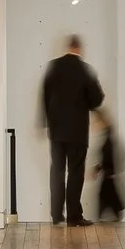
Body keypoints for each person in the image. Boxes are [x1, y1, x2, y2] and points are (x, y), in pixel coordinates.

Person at [40, 36, 104, 226]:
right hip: (77, 132)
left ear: (68, 47)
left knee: (57, 171)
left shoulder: (53, 67)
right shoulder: (85, 70)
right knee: (75, 172)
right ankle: (74, 216)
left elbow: (44, 95)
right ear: (79, 48)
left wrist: (44, 121)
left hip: (57, 131)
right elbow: (97, 99)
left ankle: (56, 214)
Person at [93, 112, 125, 223]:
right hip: (108, 176)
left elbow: (109, 157)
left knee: (106, 200)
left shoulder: (109, 139)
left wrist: (101, 169)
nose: (95, 125)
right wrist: (98, 168)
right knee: (108, 202)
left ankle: (111, 217)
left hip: (108, 176)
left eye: (97, 122)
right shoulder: (107, 137)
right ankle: (113, 216)